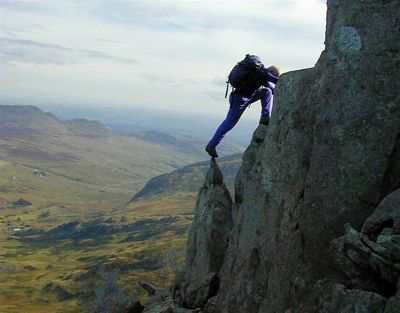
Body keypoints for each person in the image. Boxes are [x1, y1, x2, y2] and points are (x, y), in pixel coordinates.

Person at [205, 55, 280, 158]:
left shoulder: (260, 73)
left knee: (266, 92)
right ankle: (211, 145)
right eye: (274, 74)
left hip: (241, 97)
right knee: (228, 124)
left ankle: (265, 117)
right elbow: (277, 81)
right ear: (272, 72)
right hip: (240, 100)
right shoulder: (263, 74)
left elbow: (270, 89)